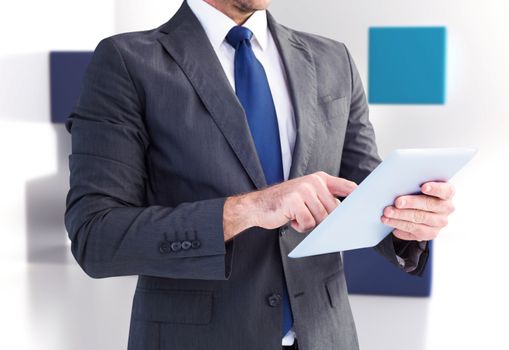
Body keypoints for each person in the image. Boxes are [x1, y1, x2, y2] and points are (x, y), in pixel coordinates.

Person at [64, 0, 456, 349]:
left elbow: (364, 194)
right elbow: (96, 237)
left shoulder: (333, 59)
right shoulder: (127, 60)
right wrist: (248, 209)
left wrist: (407, 222)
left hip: (325, 336)